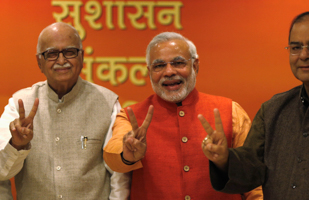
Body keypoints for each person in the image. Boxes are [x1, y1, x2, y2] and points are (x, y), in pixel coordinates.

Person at [199, 11, 309, 200]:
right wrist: (224, 159)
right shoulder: (273, 110)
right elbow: (251, 169)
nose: (303, 55)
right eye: (295, 47)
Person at [103, 32, 263, 200]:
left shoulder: (231, 111)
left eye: (178, 63)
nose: (169, 72)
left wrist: (226, 161)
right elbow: (112, 154)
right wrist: (127, 155)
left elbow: (254, 182)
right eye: (159, 66)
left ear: (195, 66)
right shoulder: (130, 116)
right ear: (149, 72)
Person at [0, 22, 130, 199]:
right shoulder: (19, 105)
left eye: (69, 52)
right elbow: (1, 173)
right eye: (52, 54)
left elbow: (118, 175)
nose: (62, 61)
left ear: (82, 57)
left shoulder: (107, 103)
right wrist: (17, 146)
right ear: (40, 61)